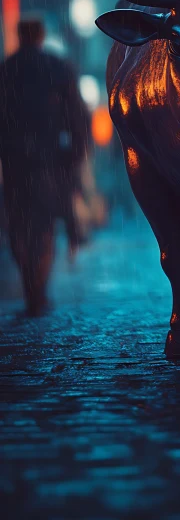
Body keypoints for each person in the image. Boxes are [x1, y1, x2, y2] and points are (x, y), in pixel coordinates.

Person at [0, 18, 90, 314]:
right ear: (40, 36)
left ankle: (30, 282)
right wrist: (76, 151)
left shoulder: (7, 70)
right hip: (51, 158)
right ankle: (38, 287)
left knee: (19, 223)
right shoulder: (57, 67)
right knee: (45, 223)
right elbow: (76, 114)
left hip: (15, 161)